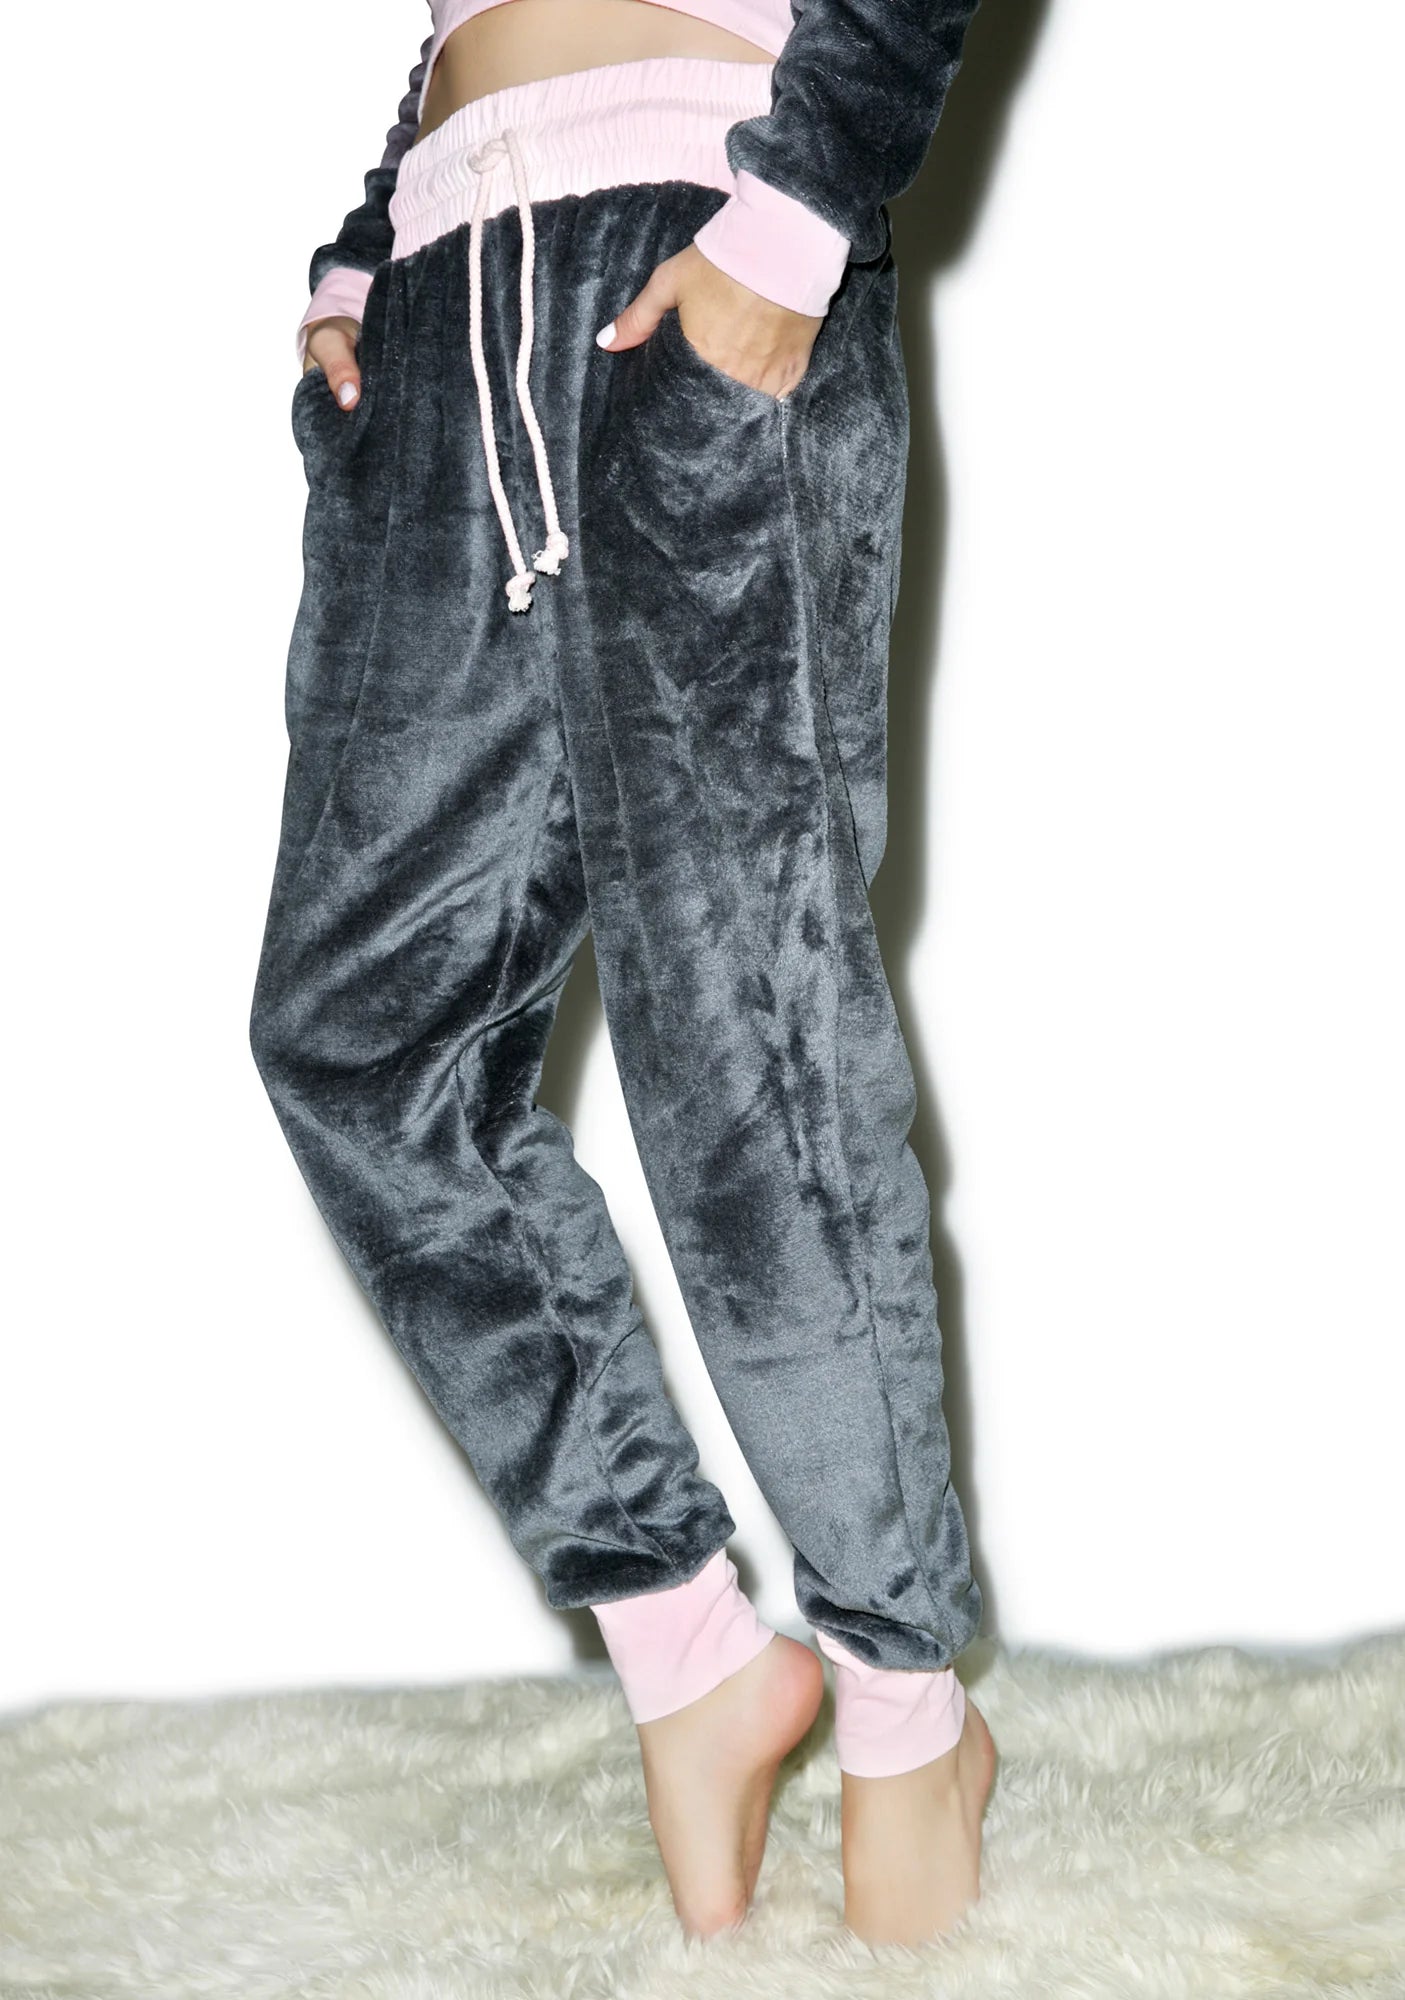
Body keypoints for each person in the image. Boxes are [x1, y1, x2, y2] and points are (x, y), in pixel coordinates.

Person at [250, 0, 996, 1947]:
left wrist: (798, 210)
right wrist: (366, 250)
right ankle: (686, 1646)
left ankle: (904, 1707)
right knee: (361, 1038)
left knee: (744, 1046)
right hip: (438, 312)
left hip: (691, 240)